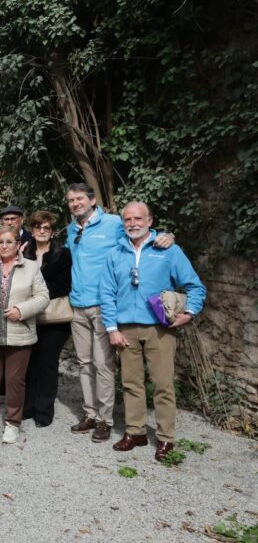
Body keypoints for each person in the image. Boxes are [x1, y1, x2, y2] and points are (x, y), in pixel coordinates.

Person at [66, 182, 175, 443]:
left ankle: (105, 420)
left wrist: (165, 235)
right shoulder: (71, 229)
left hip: (105, 304)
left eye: (80, 199)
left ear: (93, 201)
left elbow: (139, 235)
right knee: (84, 363)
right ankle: (90, 413)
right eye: (71, 200)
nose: (75, 204)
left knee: (103, 364)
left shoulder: (114, 223)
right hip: (78, 305)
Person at [101, 202, 205, 461]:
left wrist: (189, 313)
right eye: (127, 219)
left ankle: (165, 438)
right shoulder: (115, 253)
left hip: (160, 329)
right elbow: (106, 292)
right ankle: (135, 432)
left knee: (163, 384)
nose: (133, 223)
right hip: (126, 328)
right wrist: (112, 328)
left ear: (150, 220)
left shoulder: (168, 250)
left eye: (138, 218)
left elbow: (195, 285)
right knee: (130, 383)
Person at [0, 226, 49, 443]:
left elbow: (43, 297)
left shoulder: (31, 267)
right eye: (1, 242)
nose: (5, 246)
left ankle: (13, 423)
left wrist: (21, 310)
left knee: (15, 381)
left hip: (20, 333)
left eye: (9, 242)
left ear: (17, 245)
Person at [22, 211, 73, 427]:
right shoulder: (24, 252)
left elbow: (64, 284)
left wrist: (37, 294)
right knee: (29, 363)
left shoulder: (62, 254)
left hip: (54, 319)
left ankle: (44, 411)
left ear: (52, 232)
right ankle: (28, 407)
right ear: (32, 230)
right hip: (30, 317)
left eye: (46, 228)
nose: (42, 231)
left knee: (47, 364)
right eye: (38, 227)